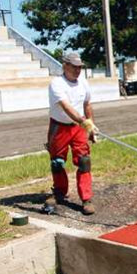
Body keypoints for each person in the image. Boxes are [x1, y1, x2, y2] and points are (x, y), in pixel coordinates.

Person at [45, 52, 98, 215]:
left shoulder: (83, 83)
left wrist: (91, 126)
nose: (78, 70)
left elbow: (87, 104)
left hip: (78, 128)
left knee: (84, 161)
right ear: (65, 66)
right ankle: (60, 192)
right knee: (57, 162)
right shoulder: (57, 84)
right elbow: (66, 107)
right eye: (74, 67)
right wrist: (84, 121)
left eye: (80, 67)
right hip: (59, 127)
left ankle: (86, 199)